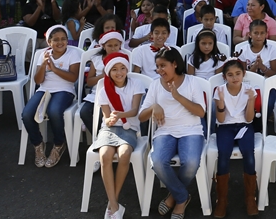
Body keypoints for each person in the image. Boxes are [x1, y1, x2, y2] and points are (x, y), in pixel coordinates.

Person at [139, 47, 207, 218]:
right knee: (158, 161)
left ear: (175, 64)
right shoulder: (155, 85)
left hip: (191, 130)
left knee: (191, 162)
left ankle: (173, 198)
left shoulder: (192, 82)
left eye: (163, 66)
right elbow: (141, 116)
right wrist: (154, 106)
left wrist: (177, 96)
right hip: (165, 131)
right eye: (157, 66)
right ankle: (182, 197)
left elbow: (201, 112)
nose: (159, 70)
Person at [91, 51, 144, 219]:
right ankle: (114, 205)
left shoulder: (136, 84)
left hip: (129, 128)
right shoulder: (104, 90)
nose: (119, 72)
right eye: (114, 69)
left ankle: (113, 201)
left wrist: (120, 115)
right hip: (109, 130)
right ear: (108, 72)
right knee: (105, 155)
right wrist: (111, 119)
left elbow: (135, 111)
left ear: (127, 69)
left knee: (124, 154)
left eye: (122, 68)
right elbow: (106, 120)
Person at [22, 25, 80, 168]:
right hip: (44, 89)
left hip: (64, 90)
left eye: (63, 39)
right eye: (56, 40)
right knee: (27, 114)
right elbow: (38, 81)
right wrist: (43, 65)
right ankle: (37, 144)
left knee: (54, 111)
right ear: (49, 42)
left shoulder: (73, 54)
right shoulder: (43, 54)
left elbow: (73, 78)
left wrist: (54, 68)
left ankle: (59, 144)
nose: (60, 43)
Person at [212, 59, 259, 217]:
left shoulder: (249, 90)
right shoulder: (219, 90)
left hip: (244, 125)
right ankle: (222, 199)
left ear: (243, 74)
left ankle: (250, 197)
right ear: (224, 77)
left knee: (249, 153)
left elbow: (249, 119)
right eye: (230, 75)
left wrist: (251, 99)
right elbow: (221, 120)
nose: (234, 78)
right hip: (225, 126)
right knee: (223, 154)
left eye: (238, 74)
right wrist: (221, 103)